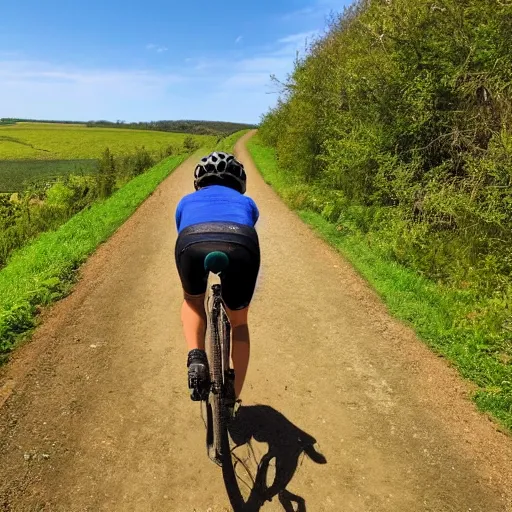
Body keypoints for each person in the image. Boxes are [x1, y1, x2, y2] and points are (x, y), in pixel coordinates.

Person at [174, 151, 260, 405]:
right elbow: (250, 223)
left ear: (199, 182)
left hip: (192, 240)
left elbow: (181, 227)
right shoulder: (247, 202)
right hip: (240, 242)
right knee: (239, 322)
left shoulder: (186, 201)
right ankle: (233, 394)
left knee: (192, 301)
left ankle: (197, 355)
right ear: (239, 183)